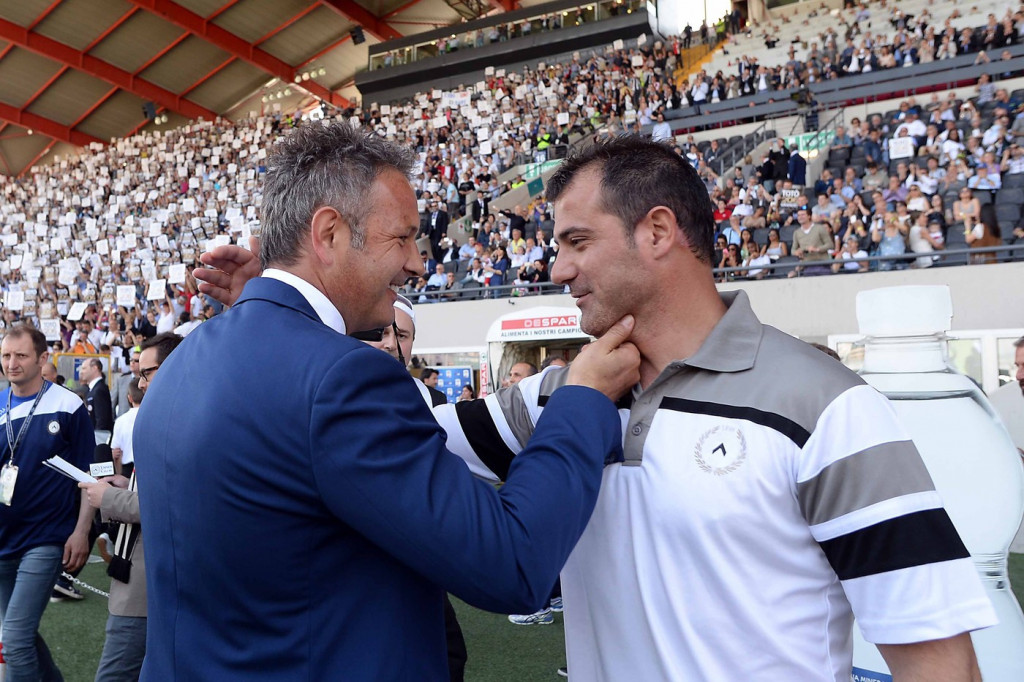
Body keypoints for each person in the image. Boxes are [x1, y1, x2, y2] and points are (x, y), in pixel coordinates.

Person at [196, 135, 996, 680]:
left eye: (577, 242)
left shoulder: (827, 407)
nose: (555, 268)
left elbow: (936, 657)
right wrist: (284, 312)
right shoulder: (556, 398)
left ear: (659, 233)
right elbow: (370, 438)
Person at [141, 121, 640, 680]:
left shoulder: (181, 362)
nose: (417, 263)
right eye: (401, 238)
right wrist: (582, 398)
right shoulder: (342, 377)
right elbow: (512, 563)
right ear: (329, 234)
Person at [80, 334, 183, 682]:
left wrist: (107, 498)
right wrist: (126, 484)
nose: (139, 383)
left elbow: (169, 506)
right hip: (148, 577)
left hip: (149, 583)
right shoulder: (168, 418)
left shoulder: (183, 424)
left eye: (146, 373)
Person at [0, 326, 95, 682]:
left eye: (21, 355)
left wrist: (81, 531)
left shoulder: (68, 405)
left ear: (42, 358)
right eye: (6, 355)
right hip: (4, 538)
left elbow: (89, 476)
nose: (12, 363)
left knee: (13, 640)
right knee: (18, 633)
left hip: (47, 537)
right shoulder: (0, 403)